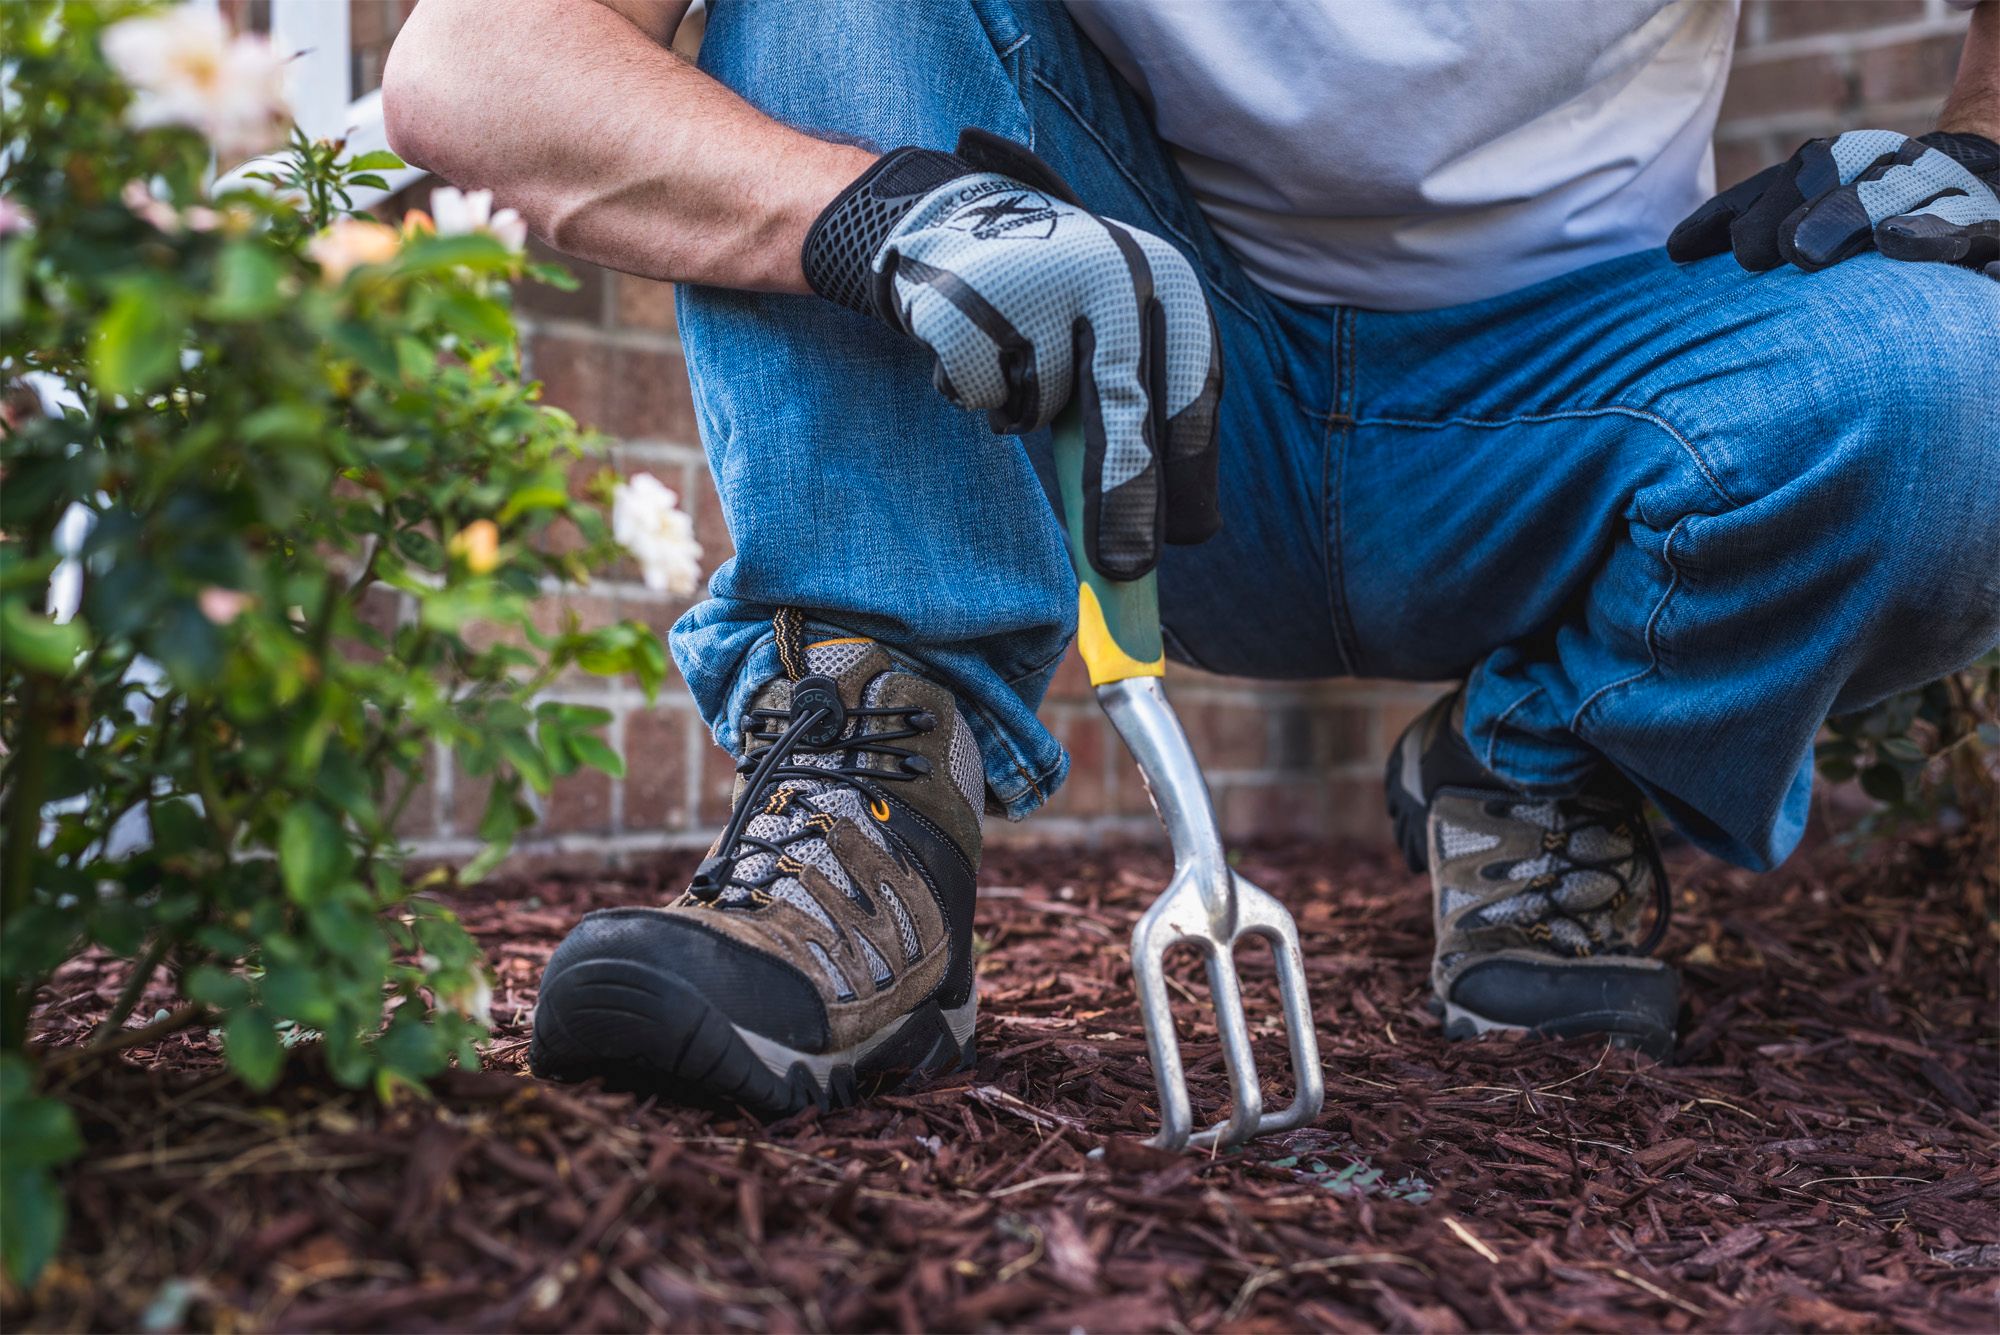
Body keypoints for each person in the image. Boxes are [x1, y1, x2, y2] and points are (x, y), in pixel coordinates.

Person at [383, 0, 2000, 1114]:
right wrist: (882, 218)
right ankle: (880, 769)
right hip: (1146, 403)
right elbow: (474, 63)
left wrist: (1984, 148)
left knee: (1959, 386)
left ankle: (1547, 761)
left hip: (1591, 436)